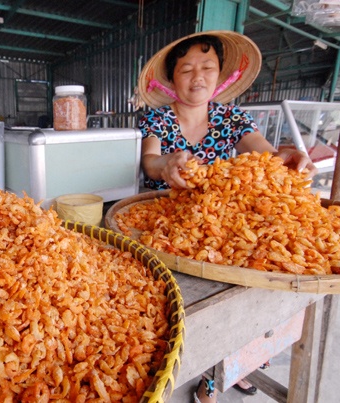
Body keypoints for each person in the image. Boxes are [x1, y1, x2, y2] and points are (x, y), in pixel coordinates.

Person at [135, 30, 317, 402]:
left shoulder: (231, 117)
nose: (197, 76)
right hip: (167, 223)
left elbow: (264, 154)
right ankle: (206, 367)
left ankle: (228, 370)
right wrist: (166, 164)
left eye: (207, 67)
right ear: (171, 79)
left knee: (247, 300)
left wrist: (284, 158)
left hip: (221, 228)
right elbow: (149, 161)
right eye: (186, 69)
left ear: (221, 75)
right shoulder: (156, 118)